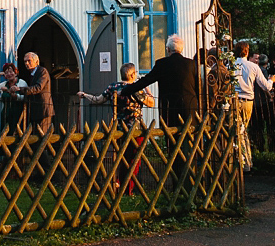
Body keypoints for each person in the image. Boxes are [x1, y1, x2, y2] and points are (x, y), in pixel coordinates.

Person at [80, 62, 155, 194]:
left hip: (119, 129)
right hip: (135, 129)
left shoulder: (113, 87)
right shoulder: (135, 88)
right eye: (135, 73)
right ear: (132, 75)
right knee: (133, 160)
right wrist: (147, 90)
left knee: (122, 157)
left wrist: (85, 95)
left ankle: (120, 184)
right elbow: (151, 103)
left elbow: (98, 100)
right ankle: (128, 189)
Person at [118, 34, 199, 129]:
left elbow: (145, 81)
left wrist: (124, 91)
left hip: (169, 109)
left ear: (168, 49)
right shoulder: (192, 64)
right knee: (190, 139)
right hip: (189, 108)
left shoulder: (162, 64)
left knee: (171, 140)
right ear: (181, 49)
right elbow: (198, 87)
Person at [233, 41, 272, 172]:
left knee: (236, 130)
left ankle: (239, 159)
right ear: (247, 52)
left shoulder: (231, 65)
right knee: (242, 130)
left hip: (234, 101)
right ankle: (245, 161)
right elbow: (265, 85)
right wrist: (271, 80)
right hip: (248, 100)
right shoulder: (253, 67)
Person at [17, 52, 55, 134]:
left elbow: (38, 88)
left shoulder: (42, 71)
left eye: (29, 61)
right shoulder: (31, 74)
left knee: (42, 135)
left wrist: (19, 89)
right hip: (36, 110)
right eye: (25, 61)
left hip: (43, 109)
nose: (27, 63)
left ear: (36, 61)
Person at [0, 62, 27, 132]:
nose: (9, 74)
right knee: (5, 133)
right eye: (6, 73)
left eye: (11, 72)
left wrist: (8, 91)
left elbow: (25, 97)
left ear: (15, 72)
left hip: (18, 113)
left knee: (17, 132)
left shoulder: (22, 83)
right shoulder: (4, 84)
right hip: (6, 114)